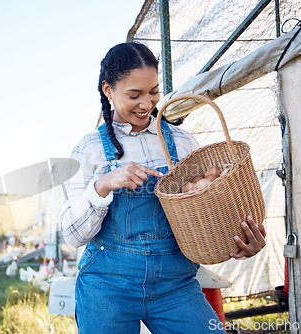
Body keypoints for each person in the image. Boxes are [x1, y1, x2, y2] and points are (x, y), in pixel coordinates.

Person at [60, 42, 267, 333]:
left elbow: (204, 215)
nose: (146, 104)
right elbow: (72, 235)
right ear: (108, 89)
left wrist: (240, 240)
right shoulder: (89, 149)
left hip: (175, 286)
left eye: (153, 92)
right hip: (108, 287)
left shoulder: (182, 143)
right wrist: (104, 184)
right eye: (135, 95)